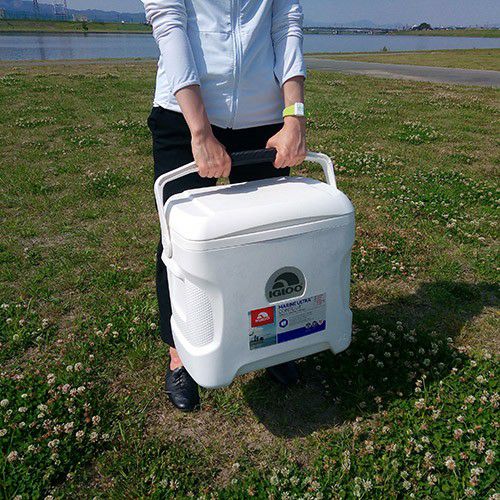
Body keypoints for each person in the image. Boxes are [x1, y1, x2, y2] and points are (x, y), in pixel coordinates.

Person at [142, 0, 307, 411]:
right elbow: (170, 25)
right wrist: (200, 131)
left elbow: (286, 24)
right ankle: (180, 353)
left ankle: (270, 340)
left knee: (268, 238)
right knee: (180, 242)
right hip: (184, 115)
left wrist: (294, 117)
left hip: (263, 117)